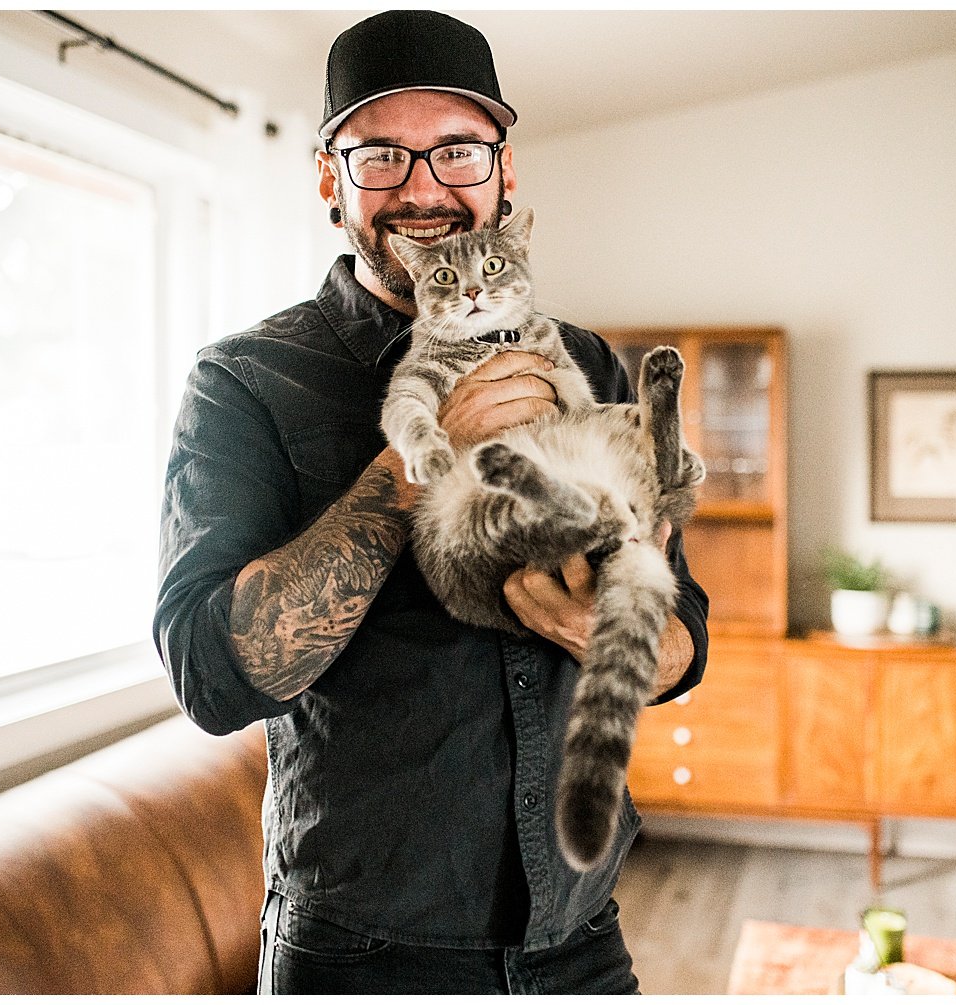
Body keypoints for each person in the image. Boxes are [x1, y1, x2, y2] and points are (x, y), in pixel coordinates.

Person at [153, 9, 708, 994]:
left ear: (504, 171)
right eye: (381, 157)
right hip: (368, 955)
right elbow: (213, 677)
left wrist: (617, 627)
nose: (422, 189)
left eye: (457, 150)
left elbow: (683, 637)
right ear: (330, 178)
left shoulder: (582, 360)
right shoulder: (244, 382)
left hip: (581, 939)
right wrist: (413, 464)